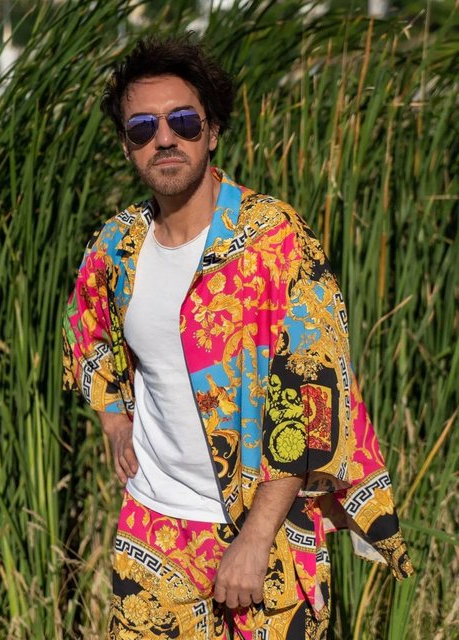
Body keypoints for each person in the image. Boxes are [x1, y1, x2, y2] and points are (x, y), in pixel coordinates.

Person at [62, 35, 413, 640]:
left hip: (263, 532)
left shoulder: (276, 241)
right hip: (152, 527)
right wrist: (114, 419)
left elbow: (313, 398)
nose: (164, 139)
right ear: (126, 145)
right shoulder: (115, 245)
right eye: (143, 127)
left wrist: (255, 538)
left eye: (183, 121)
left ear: (213, 131)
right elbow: (88, 329)